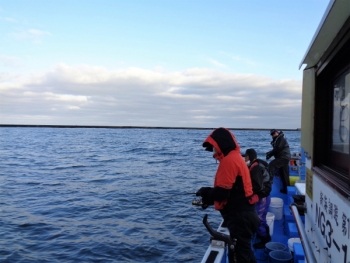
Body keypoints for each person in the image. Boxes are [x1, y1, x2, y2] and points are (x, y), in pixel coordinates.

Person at [196, 127, 260, 263]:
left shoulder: (229, 161)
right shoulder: (236, 158)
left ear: (222, 144)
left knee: (238, 257)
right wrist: (209, 197)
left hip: (240, 219)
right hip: (245, 216)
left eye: (214, 147)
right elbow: (233, 192)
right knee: (245, 253)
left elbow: (222, 193)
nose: (214, 151)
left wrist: (206, 193)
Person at [243, 148, 272, 249]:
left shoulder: (255, 169)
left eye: (246, 157)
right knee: (262, 218)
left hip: (261, 198)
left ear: (250, 157)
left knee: (258, 218)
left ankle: (265, 239)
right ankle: (265, 234)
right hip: (266, 195)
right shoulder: (259, 165)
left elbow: (257, 186)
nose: (244, 159)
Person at [266, 129, 291, 194]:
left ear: (277, 132)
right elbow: (276, 149)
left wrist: (270, 154)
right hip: (284, 157)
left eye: (274, 133)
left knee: (271, 165)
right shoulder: (278, 139)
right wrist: (269, 153)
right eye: (272, 134)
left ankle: (270, 180)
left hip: (283, 157)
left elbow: (277, 148)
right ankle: (286, 190)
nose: (273, 135)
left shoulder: (281, 139)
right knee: (284, 174)